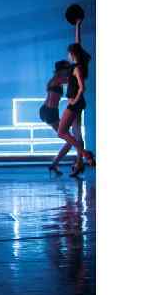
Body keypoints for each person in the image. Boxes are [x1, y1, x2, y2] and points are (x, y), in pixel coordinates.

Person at [57, 12, 96, 176]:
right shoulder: (80, 62)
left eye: (69, 53)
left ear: (72, 54)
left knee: (62, 132)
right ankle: (79, 164)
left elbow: (82, 88)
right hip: (78, 103)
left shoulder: (77, 68)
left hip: (75, 102)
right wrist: (78, 26)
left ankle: (86, 155)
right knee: (77, 133)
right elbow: (77, 43)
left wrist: (73, 101)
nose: (67, 55)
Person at [41, 60, 74, 176]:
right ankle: (54, 164)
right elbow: (72, 79)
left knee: (69, 140)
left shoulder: (55, 79)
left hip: (48, 111)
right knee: (70, 141)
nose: (68, 71)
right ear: (61, 70)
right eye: (66, 69)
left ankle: (54, 165)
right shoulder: (57, 80)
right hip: (50, 112)